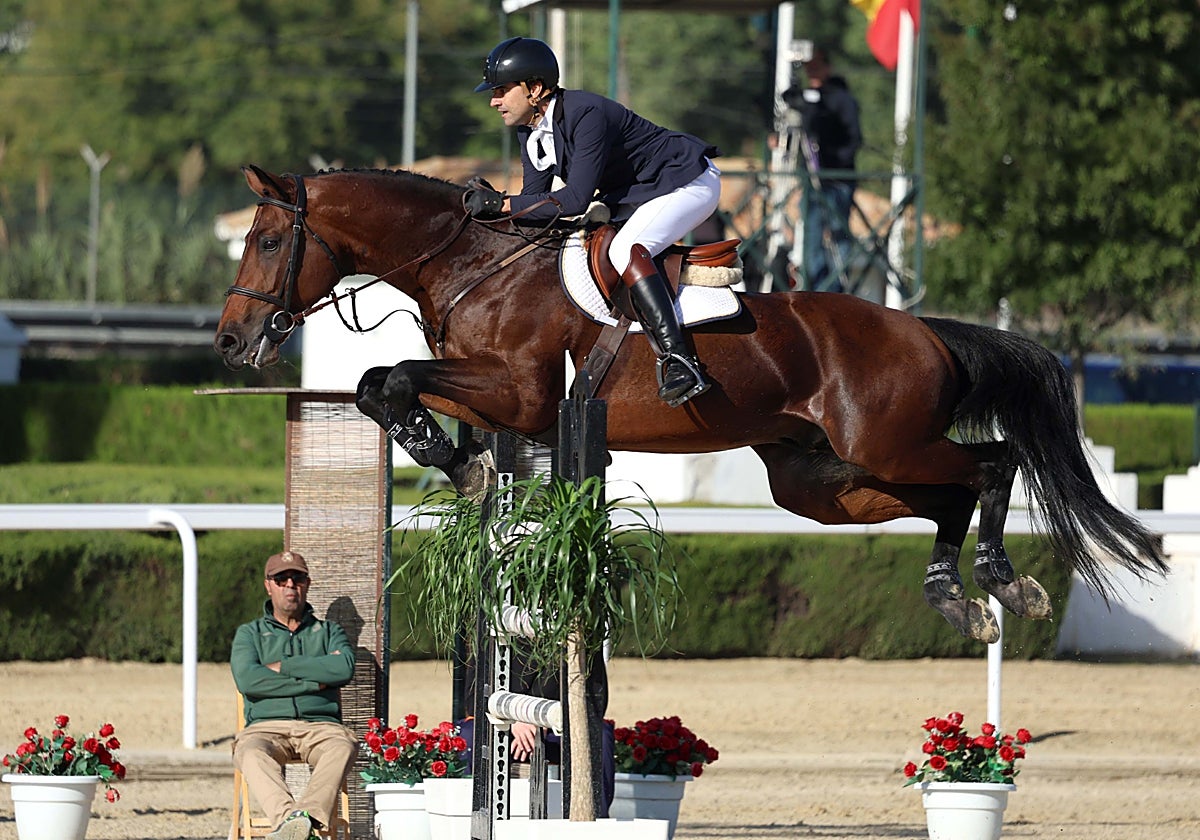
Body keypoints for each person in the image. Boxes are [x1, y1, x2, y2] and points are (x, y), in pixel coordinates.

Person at [464, 36, 722, 408]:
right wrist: (500, 211)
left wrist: (503, 204)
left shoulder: (586, 113)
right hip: (640, 193)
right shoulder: (530, 130)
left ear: (534, 89)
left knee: (626, 249)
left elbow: (573, 200)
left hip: (686, 181)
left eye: (502, 90)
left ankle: (680, 360)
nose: (494, 101)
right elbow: (537, 204)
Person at [230, 551, 357, 840]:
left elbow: (343, 668)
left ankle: (299, 824)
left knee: (343, 746)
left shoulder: (329, 632)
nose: (290, 585)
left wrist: (284, 666)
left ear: (307, 583)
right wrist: (316, 682)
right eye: (281, 579)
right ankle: (293, 823)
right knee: (249, 752)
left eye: (297, 578)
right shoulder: (250, 634)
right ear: (268, 585)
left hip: (321, 727)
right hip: (266, 727)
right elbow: (248, 680)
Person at [782, 46, 862, 292]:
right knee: (812, 233)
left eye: (817, 67)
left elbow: (853, 138)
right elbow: (800, 130)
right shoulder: (807, 100)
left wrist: (834, 163)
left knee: (838, 232)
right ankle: (816, 287)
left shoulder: (841, 99)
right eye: (809, 68)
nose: (812, 73)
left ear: (827, 68)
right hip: (812, 180)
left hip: (837, 178)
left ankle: (837, 288)